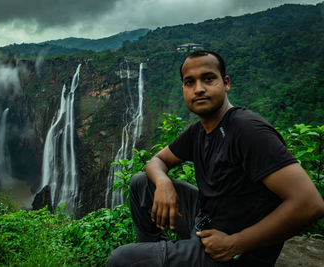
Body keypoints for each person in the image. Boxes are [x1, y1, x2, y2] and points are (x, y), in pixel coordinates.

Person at [106, 50, 324, 267]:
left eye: (208, 79)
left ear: (226, 83)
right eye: (190, 82)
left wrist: (235, 243)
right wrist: (163, 183)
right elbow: (156, 162)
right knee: (141, 183)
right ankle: (154, 251)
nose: (199, 89)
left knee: (120, 260)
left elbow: (310, 204)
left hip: (232, 251)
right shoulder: (199, 131)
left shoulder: (247, 130)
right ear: (183, 89)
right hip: (206, 220)